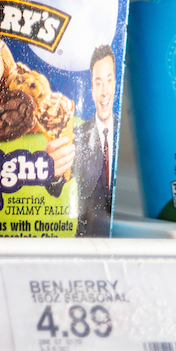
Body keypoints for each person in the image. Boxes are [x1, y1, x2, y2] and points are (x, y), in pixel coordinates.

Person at [48, 44, 117, 236]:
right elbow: (55, 189)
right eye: (98, 83)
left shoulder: (121, 132)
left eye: (109, 81)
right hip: (87, 240)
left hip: (122, 235)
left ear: (115, 83)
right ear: (92, 90)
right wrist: (52, 170)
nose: (104, 91)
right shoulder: (77, 135)